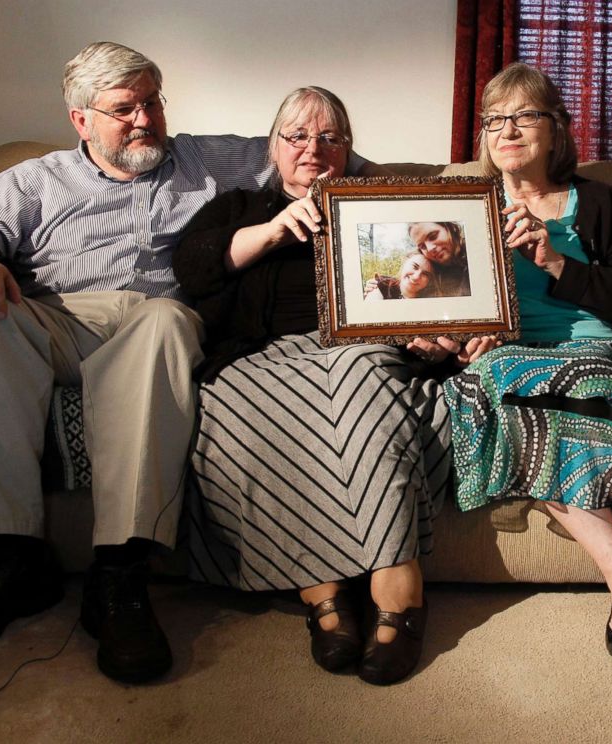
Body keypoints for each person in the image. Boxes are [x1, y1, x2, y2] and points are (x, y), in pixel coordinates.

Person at [0, 41, 368, 683]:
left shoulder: (208, 158)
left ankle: (119, 573)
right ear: (81, 119)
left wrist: (407, 200)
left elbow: (313, 149)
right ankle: (10, 559)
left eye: (153, 104)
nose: (144, 120)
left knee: (162, 320)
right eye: (124, 109)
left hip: (154, 322)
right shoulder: (36, 180)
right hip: (56, 317)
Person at [442, 62, 612, 663]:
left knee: (575, 379)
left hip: (599, 346)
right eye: (495, 119)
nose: (507, 130)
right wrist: (464, 334)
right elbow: (442, 296)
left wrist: (555, 262)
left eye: (525, 116)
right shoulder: (461, 206)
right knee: (498, 381)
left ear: (556, 129)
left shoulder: (596, 201)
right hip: (513, 356)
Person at [173, 86, 449, 686]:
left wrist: (432, 334)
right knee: (237, 400)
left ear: (348, 150)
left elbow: (434, 288)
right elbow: (192, 268)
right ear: (273, 148)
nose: (313, 149)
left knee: (364, 378)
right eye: (296, 136)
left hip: (358, 349)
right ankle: (321, 588)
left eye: (330, 138)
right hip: (260, 356)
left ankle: (398, 585)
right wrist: (274, 229)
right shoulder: (242, 205)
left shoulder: (383, 209)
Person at [408, 221, 471, 296]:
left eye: (433, 236)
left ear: (448, 228)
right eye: (422, 246)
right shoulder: (431, 280)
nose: (430, 248)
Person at [365, 251, 436, 300]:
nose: (416, 277)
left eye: (425, 274)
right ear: (405, 262)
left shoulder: (429, 301)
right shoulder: (384, 284)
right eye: (415, 267)